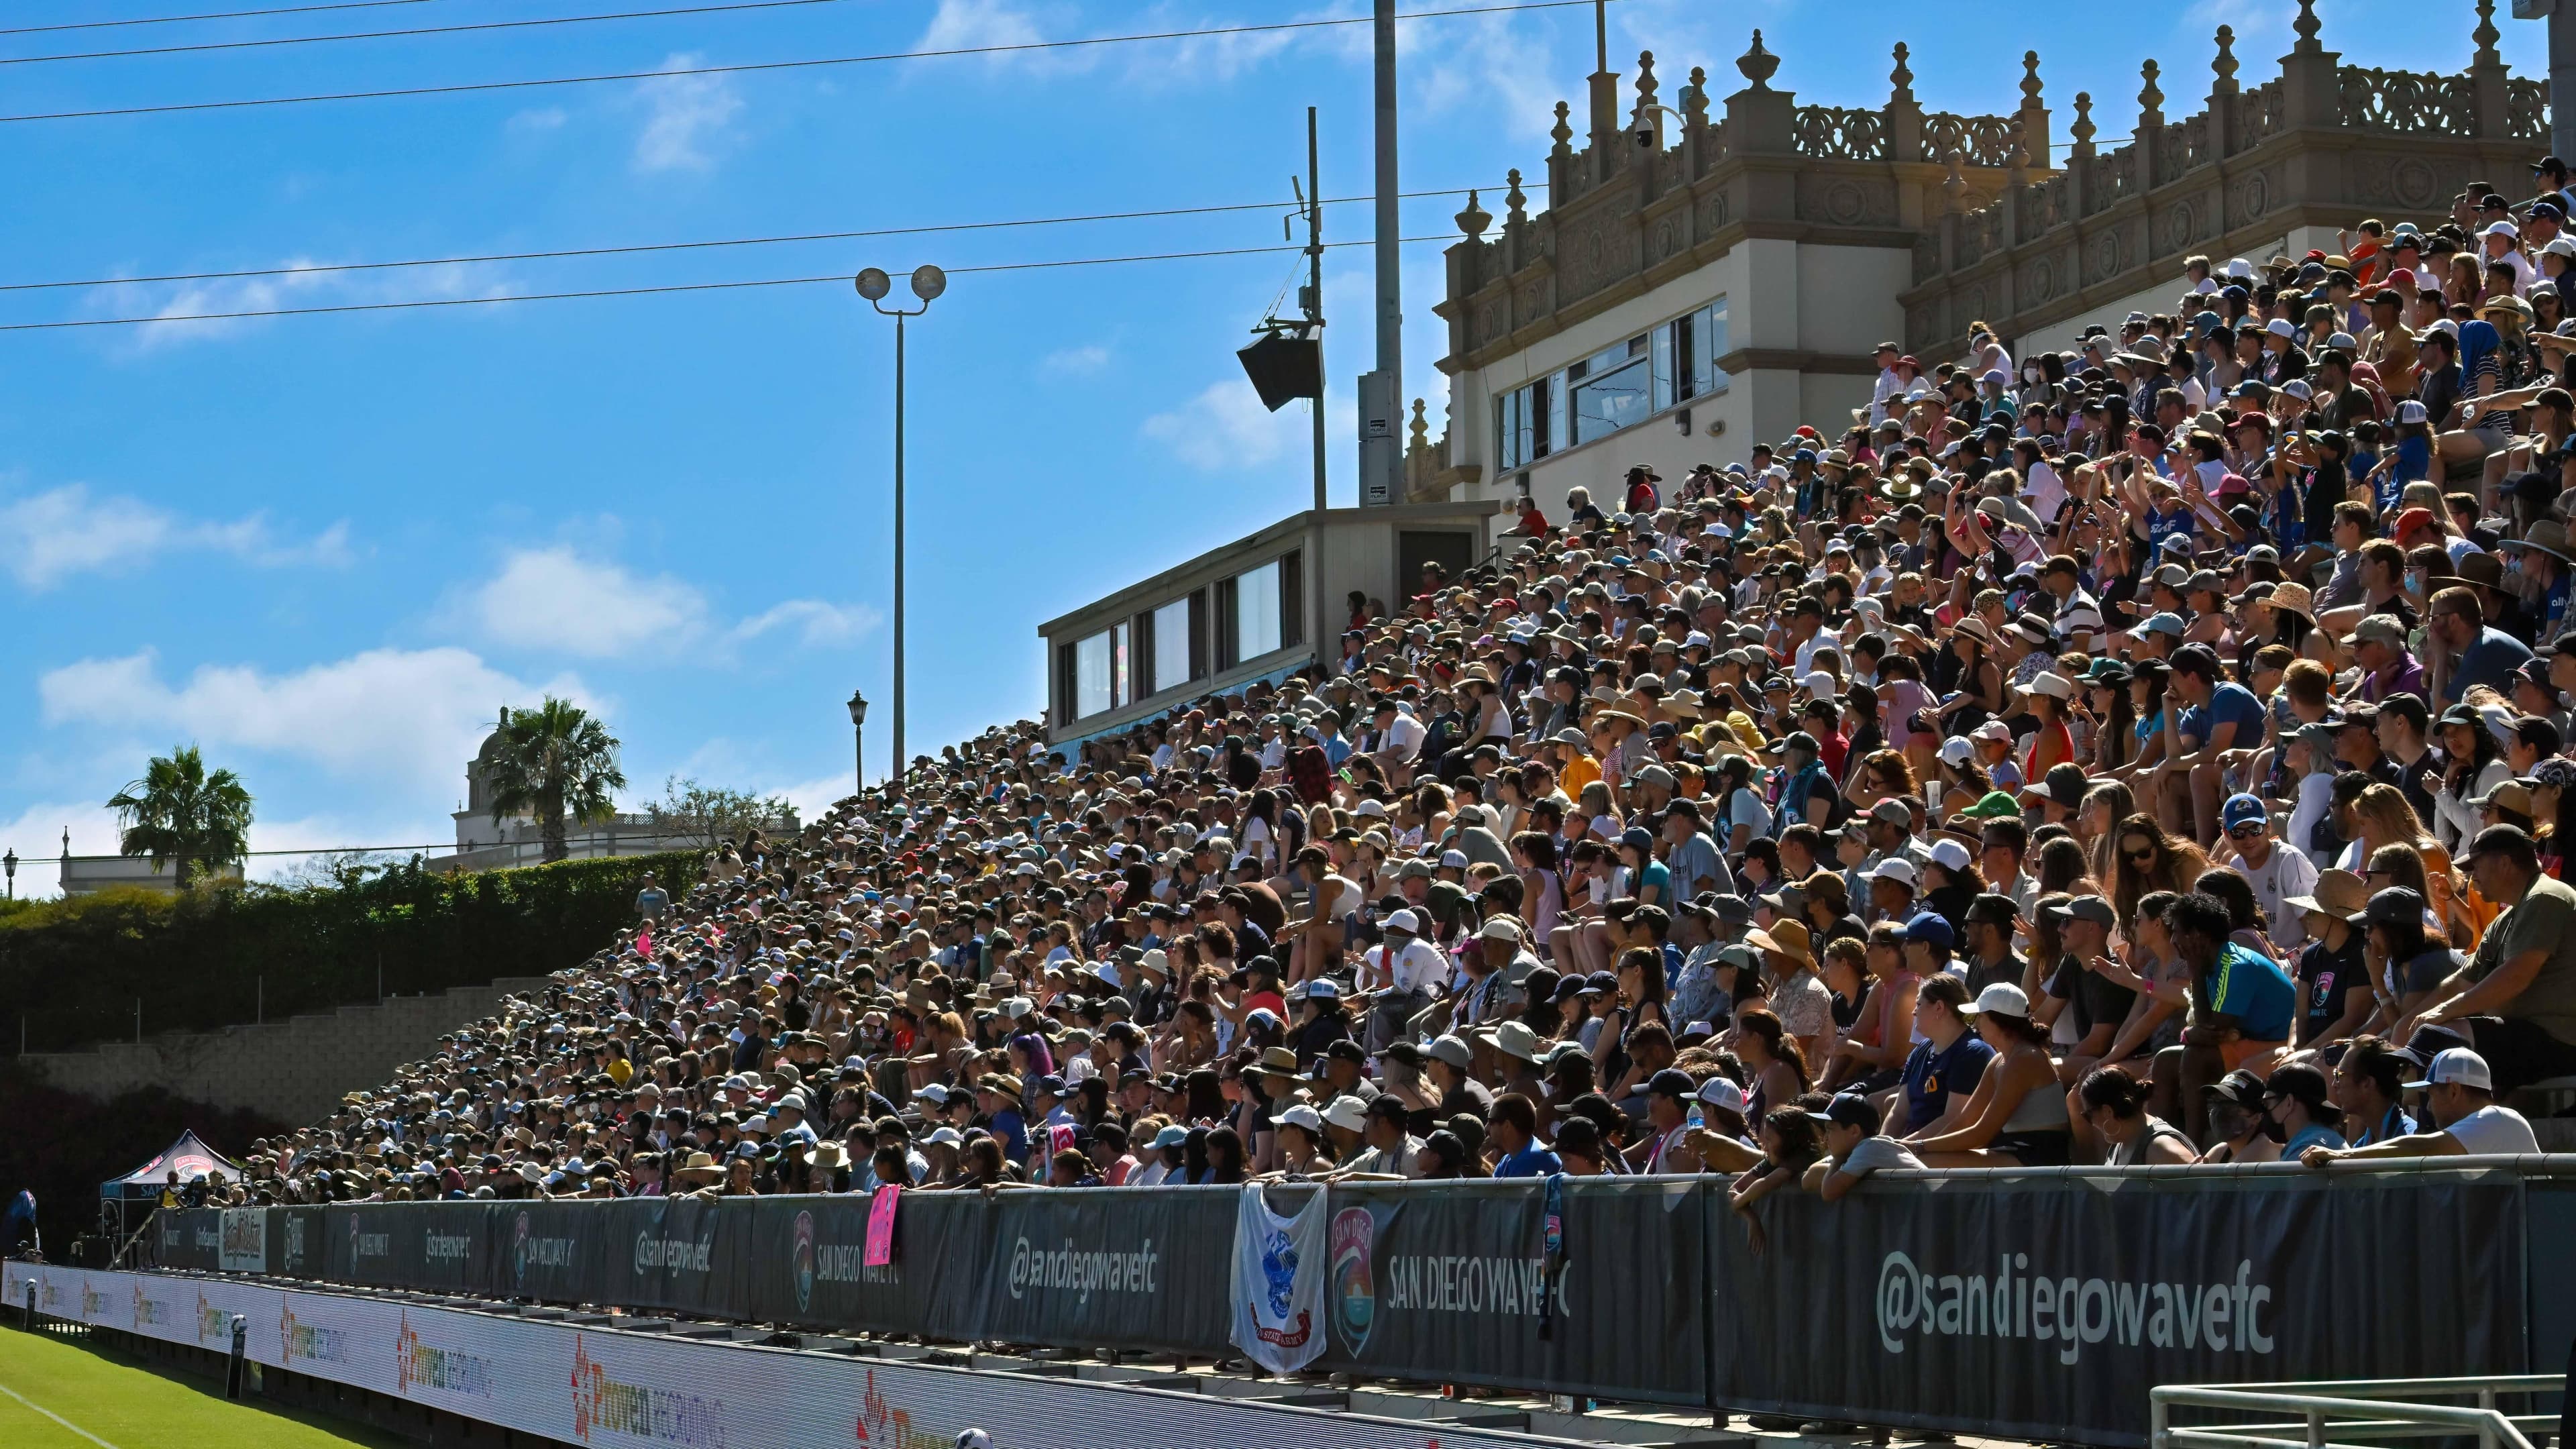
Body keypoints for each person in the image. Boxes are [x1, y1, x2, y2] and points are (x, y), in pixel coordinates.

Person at [2300, 1048, 2538, 1162]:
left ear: (2454, 1091)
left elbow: (2421, 1147)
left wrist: (2343, 1156)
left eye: (2431, 1095)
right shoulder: (2486, 1128)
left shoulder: (2498, 1118)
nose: (2429, 1108)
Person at [1801, 1092, 1922, 1201]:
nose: (1825, 1138)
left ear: (1854, 1131)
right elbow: (1807, 1180)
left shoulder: (1870, 1148)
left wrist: (1837, 1160)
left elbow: (1829, 1192)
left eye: (1830, 1130)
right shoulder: (1855, 1151)